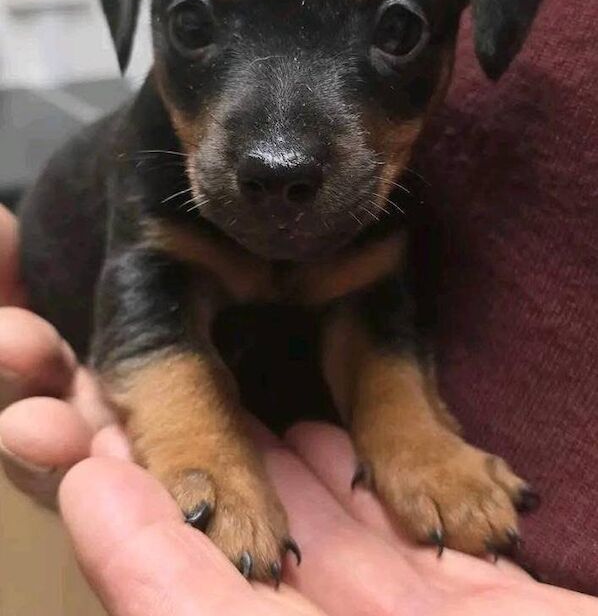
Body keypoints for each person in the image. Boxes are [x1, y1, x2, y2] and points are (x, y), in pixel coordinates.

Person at [0, 203, 596, 616]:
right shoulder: (157, 174)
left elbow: (377, 309)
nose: (282, 150)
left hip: (339, 490)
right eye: (192, 20)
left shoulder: (379, 215)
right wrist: (196, 447)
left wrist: (420, 445)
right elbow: (147, 308)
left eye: (396, 33)